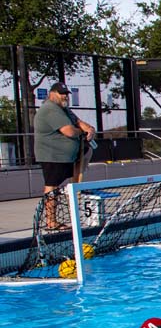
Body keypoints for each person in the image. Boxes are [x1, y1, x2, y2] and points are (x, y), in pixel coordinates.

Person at [34, 82, 94, 229]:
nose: (65, 96)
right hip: (52, 156)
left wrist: (90, 129)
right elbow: (70, 131)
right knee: (52, 186)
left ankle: (72, 190)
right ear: (52, 94)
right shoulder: (50, 109)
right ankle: (51, 222)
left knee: (87, 152)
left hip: (66, 157)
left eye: (66, 94)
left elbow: (78, 122)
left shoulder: (64, 109)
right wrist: (82, 132)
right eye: (62, 93)